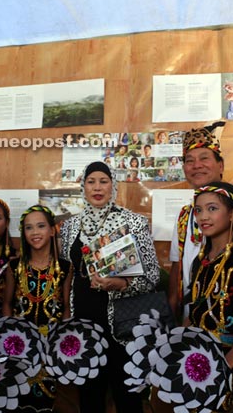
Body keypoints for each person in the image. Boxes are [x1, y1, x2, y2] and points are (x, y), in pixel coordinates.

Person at [59, 161, 160, 412]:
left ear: (113, 185)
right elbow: (69, 276)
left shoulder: (133, 223)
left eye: (103, 181)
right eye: (91, 181)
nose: (97, 187)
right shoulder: (71, 227)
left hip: (123, 327)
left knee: (127, 398)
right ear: (83, 186)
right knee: (89, 397)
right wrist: (67, 314)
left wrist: (121, 284)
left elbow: (153, 276)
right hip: (85, 326)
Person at [168, 124, 233, 319]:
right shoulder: (185, 213)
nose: (197, 165)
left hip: (231, 316)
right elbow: (177, 267)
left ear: (220, 166)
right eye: (189, 160)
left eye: (204, 158)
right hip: (191, 319)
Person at [188, 182, 233, 412]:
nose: (203, 216)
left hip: (231, 363)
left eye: (212, 208)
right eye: (198, 210)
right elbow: (193, 313)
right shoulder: (200, 261)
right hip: (198, 362)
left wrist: (227, 365)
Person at [3, 205, 72, 412]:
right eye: (28, 228)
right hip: (18, 348)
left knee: (46, 403)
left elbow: (67, 307)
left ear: (52, 230)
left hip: (51, 348)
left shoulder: (65, 267)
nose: (35, 232)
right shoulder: (14, 267)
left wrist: (64, 344)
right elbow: (7, 304)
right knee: (17, 402)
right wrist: (8, 338)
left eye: (41, 226)